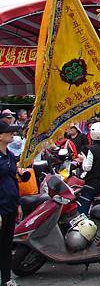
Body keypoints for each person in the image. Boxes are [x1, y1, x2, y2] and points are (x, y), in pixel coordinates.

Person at [0, 120, 21, 286]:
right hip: (0, 207)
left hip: (11, 205)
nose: (12, 134)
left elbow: (14, 180)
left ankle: (6, 279)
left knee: (7, 245)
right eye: (8, 132)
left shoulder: (11, 156)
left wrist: (18, 203)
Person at [77, 121, 100, 215]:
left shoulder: (92, 149)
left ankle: (81, 219)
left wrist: (83, 159)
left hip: (94, 184)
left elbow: (87, 168)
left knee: (83, 202)